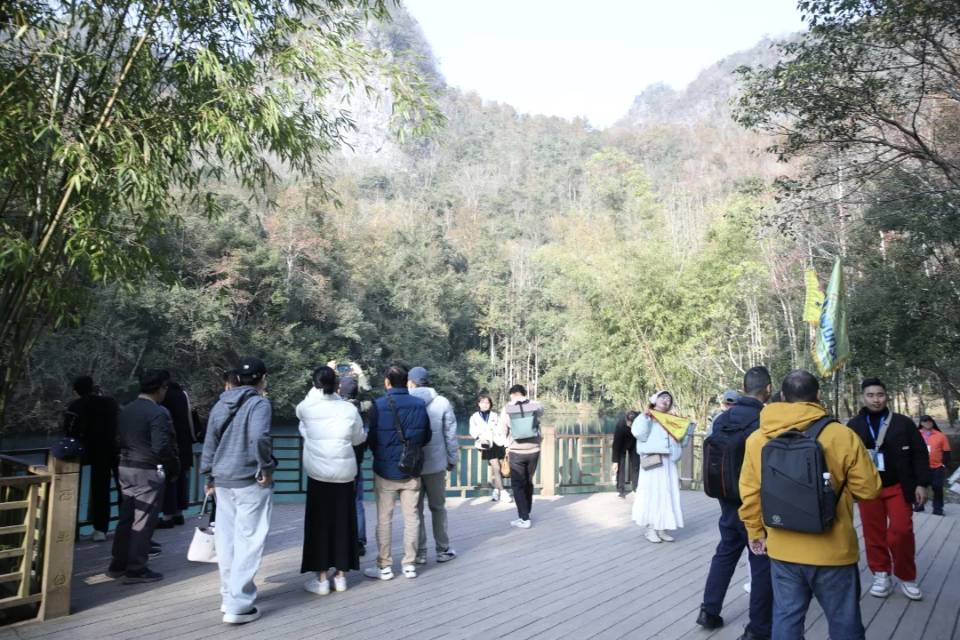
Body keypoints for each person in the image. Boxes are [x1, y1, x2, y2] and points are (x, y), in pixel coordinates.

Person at [739, 370, 881, 640]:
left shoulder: (758, 438)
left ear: (782, 396)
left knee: (786, 619)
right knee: (844, 622)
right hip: (834, 550)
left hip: (782, 548)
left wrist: (755, 532)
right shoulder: (841, 435)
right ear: (817, 395)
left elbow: (750, 493)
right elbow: (869, 490)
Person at [697, 367, 773, 640]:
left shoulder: (722, 418)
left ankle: (709, 610)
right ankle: (758, 628)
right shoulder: (765, 420)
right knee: (761, 560)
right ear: (768, 389)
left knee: (726, 552)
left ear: (743, 388)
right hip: (755, 500)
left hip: (726, 497)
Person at [200, 357, 276, 625]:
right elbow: (259, 437)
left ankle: (228, 595)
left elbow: (210, 441)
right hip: (249, 480)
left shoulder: (221, 403)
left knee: (227, 540)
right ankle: (240, 605)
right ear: (263, 378)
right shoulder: (259, 404)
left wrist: (208, 475)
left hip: (222, 480)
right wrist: (266, 467)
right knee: (249, 540)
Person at [847, 378, 930, 601]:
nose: (876, 399)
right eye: (870, 395)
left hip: (898, 486)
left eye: (880, 394)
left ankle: (907, 576)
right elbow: (846, 458)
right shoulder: (854, 425)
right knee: (873, 533)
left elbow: (920, 454)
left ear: (887, 396)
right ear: (862, 398)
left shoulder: (903, 423)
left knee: (901, 532)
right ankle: (881, 573)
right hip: (868, 489)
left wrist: (921, 483)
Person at [297, 366, 366, 595]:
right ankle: (341, 577)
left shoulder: (305, 408)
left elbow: (304, 425)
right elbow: (358, 438)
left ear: (314, 385)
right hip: (344, 473)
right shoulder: (349, 409)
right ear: (337, 385)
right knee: (344, 522)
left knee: (319, 524)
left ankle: (321, 579)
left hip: (318, 474)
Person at [107, 369, 179, 584]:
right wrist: (172, 468)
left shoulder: (126, 410)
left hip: (125, 467)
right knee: (144, 520)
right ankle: (136, 568)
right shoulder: (157, 412)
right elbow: (161, 447)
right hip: (146, 470)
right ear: (161, 388)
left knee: (127, 516)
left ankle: (118, 563)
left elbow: (117, 440)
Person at [363, 365, 431, 581]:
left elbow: (371, 439)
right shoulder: (419, 404)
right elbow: (426, 436)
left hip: (385, 471)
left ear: (387, 382)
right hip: (411, 470)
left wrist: (382, 453)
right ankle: (409, 564)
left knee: (384, 519)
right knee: (412, 518)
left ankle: (384, 566)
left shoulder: (378, 405)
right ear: (407, 381)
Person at [407, 366, 459, 564]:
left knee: (415, 510)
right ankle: (443, 550)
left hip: (413, 466)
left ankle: (420, 553)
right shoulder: (442, 402)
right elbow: (450, 435)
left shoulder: (405, 402)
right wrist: (452, 459)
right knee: (438, 508)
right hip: (436, 465)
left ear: (410, 382)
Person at [631, 390, 693, 543]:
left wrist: (688, 429)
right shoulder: (646, 416)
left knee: (667, 493)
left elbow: (682, 441)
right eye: (663, 397)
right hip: (653, 460)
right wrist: (646, 417)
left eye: (669, 399)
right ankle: (651, 529)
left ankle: (662, 528)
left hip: (668, 461)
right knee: (652, 493)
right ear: (655, 400)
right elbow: (639, 434)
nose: (666, 400)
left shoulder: (672, 419)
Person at [64, 376, 119, 542]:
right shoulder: (110, 402)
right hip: (112, 449)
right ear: (93, 386)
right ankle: (120, 526)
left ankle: (88, 529)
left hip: (88, 452)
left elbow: (69, 430)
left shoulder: (75, 406)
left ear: (76, 390)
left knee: (89, 489)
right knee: (115, 489)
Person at [502, 384, 544, 529]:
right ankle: (527, 512)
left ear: (512, 395)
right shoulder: (535, 405)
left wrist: (506, 445)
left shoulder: (507, 408)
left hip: (516, 451)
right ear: (524, 393)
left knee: (517, 485)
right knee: (528, 481)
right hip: (534, 451)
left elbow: (503, 430)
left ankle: (524, 518)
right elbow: (541, 412)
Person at [338, 374, 369, 556]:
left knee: (339, 502)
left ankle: (341, 540)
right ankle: (359, 542)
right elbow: (363, 438)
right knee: (357, 503)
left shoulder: (336, 409)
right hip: (356, 462)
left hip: (338, 463)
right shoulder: (360, 410)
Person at [158, 379, 195, 529]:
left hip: (172, 444)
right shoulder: (182, 395)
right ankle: (179, 513)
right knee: (181, 479)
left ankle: (168, 516)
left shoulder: (164, 397)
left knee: (169, 480)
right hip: (185, 444)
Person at [469, 394, 511, 503]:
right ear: (478, 404)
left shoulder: (495, 415)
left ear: (490, 404)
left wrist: (506, 445)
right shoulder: (474, 417)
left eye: (487, 402)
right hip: (487, 444)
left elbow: (502, 430)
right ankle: (503, 492)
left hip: (499, 443)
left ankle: (496, 491)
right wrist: (480, 437)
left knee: (501, 468)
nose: (485, 405)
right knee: (496, 467)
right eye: (482, 402)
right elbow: (473, 431)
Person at [916, 415, 951, 516]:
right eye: (925, 421)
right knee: (919, 486)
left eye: (930, 421)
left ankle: (938, 508)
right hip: (920, 467)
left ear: (933, 422)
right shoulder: (915, 434)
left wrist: (943, 464)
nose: (928, 423)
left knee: (937, 487)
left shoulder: (941, 435)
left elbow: (947, 452)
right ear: (921, 423)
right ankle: (919, 505)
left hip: (937, 467)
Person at [611, 410, 639, 498]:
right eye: (629, 423)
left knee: (636, 465)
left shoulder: (640, 419)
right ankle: (620, 490)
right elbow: (616, 444)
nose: (629, 424)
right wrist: (615, 461)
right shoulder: (620, 425)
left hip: (634, 443)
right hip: (622, 444)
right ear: (626, 419)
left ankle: (636, 488)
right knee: (620, 466)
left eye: (631, 423)